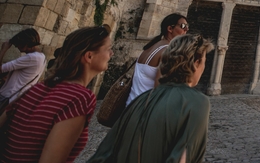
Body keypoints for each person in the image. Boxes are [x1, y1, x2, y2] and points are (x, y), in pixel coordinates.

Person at [87, 34, 213, 163]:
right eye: (204, 62)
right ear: (196, 63)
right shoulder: (197, 102)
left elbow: (105, 152)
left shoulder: (140, 99)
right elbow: (184, 157)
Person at [1, 25, 113, 163]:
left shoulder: (39, 87)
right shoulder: (79, 98)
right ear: (89, 56)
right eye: (108, 49)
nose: (111, 54)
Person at [126, 12, 188, 105]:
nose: (186, 29)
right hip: (144, 109)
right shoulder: (168, 51)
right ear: (170, 28)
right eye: (183, 26)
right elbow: (160, 88)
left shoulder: (151, 46)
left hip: (131, 105)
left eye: (187, 26)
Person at [0, 28, 46, 107]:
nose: (17, 47)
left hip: (8, 95)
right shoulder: (41, 56)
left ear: (26, 43)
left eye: (18, 44)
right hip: (17, 97)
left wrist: (3, 49)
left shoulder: (32, 57)